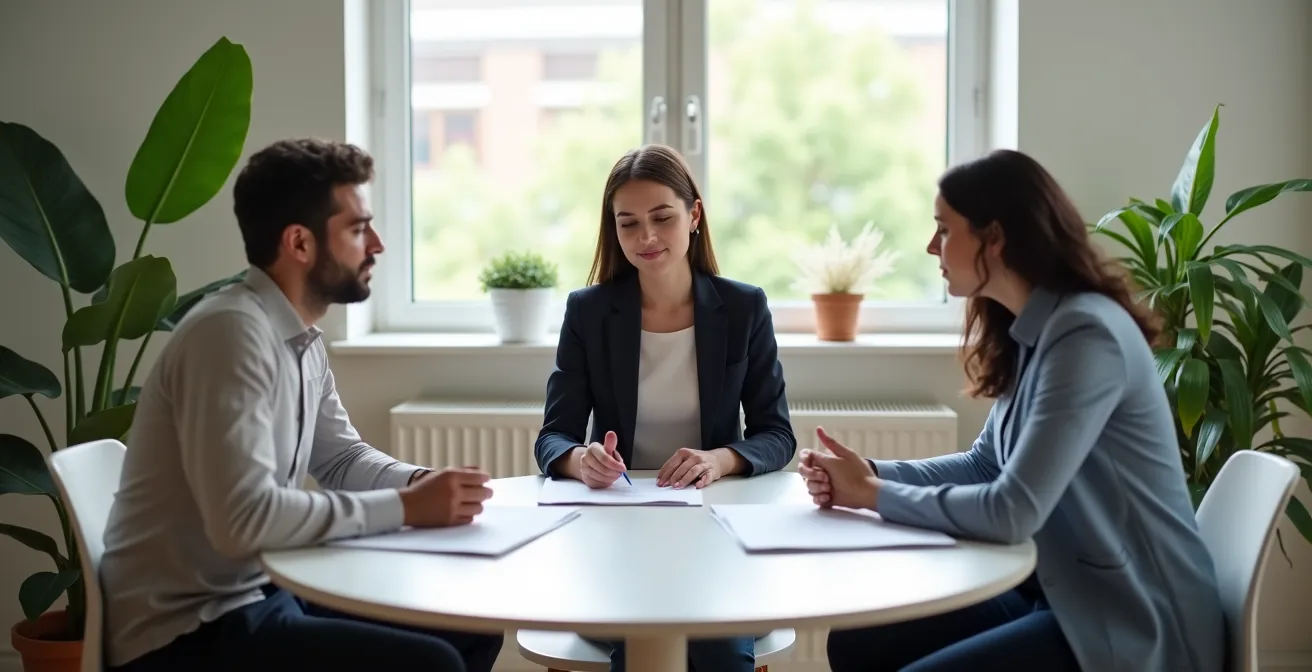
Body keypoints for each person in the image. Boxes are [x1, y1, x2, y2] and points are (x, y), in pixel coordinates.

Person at [799, 149, 1225, 672]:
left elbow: (1012, 511)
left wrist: (872, 494)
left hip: (1135, 619)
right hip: (1062, 593)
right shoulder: (1032, 331)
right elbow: (985, 464)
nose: (931, 246)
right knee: (857, 642)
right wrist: (870, 472)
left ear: (995, 238)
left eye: (944, 229)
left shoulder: (1085, 335)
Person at [100, 139, 504, 672]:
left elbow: (340, 459)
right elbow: (243, 522)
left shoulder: (298, 337)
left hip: (260, 592)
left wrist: (420, 483)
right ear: (299, 243)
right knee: (433, 663)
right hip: (187, 628)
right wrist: (408, 509)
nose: (377, 244)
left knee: (472, 624)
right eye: (358, 229)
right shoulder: (230, 336)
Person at [533, 144, 796, 671]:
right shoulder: (588, 312)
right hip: (619, 534)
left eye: (662, 218)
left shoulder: (743, 307)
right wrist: (581, 460)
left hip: (716, 529)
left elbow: (776, 434)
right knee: (644, 643)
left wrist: (719, 459)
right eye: (628, 224)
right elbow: (552, 438)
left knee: (718, 647)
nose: (646, 237)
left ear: (694, 215)